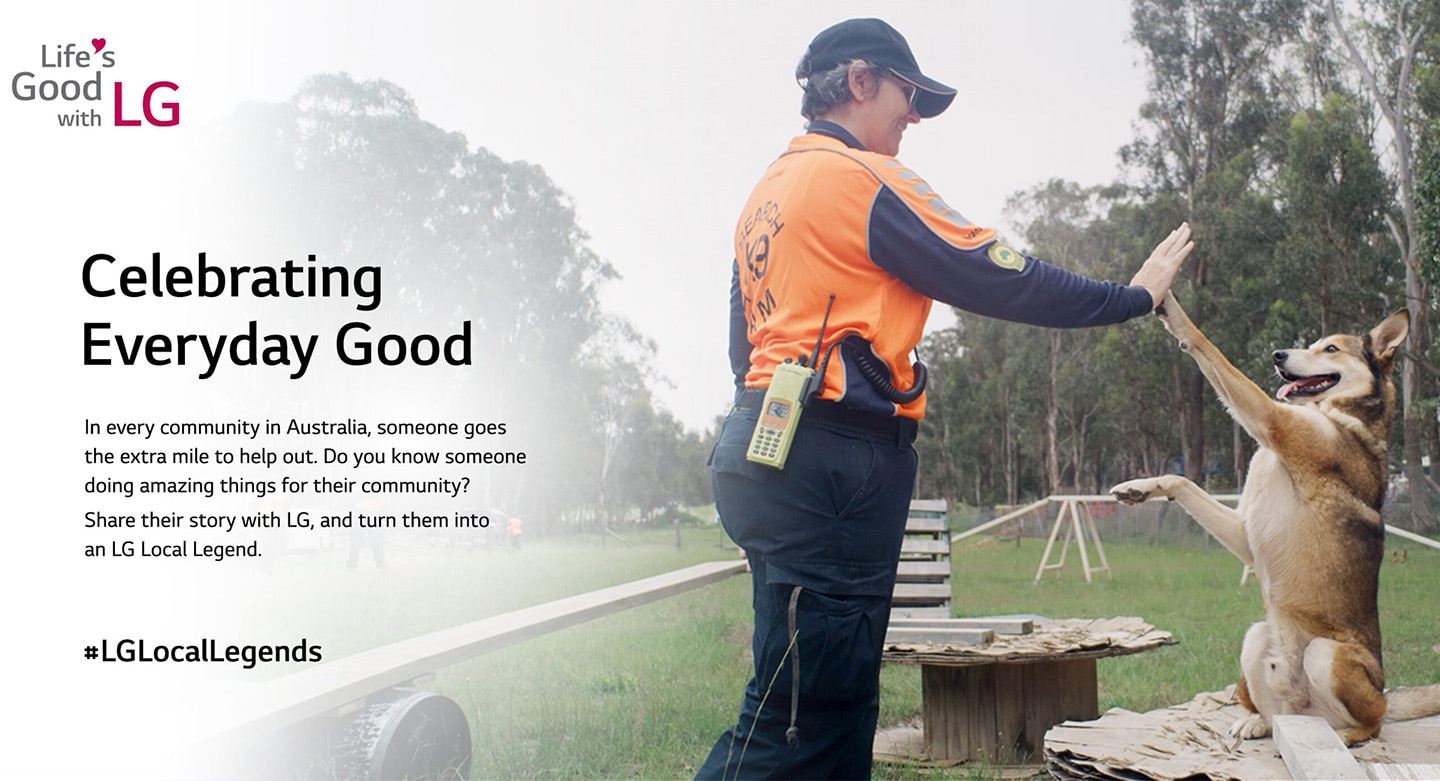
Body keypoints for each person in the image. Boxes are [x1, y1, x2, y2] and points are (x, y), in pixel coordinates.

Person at [697, 17, 1193, 780]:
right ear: (860, 80)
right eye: (909, 95)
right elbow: (996, 272)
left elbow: (743, 344)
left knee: (810, 700)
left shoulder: (766, 192)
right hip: (831, 464)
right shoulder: (860, 180)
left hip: (765, 447)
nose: (915, 117)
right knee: (806, 716)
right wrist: (1129, 297)